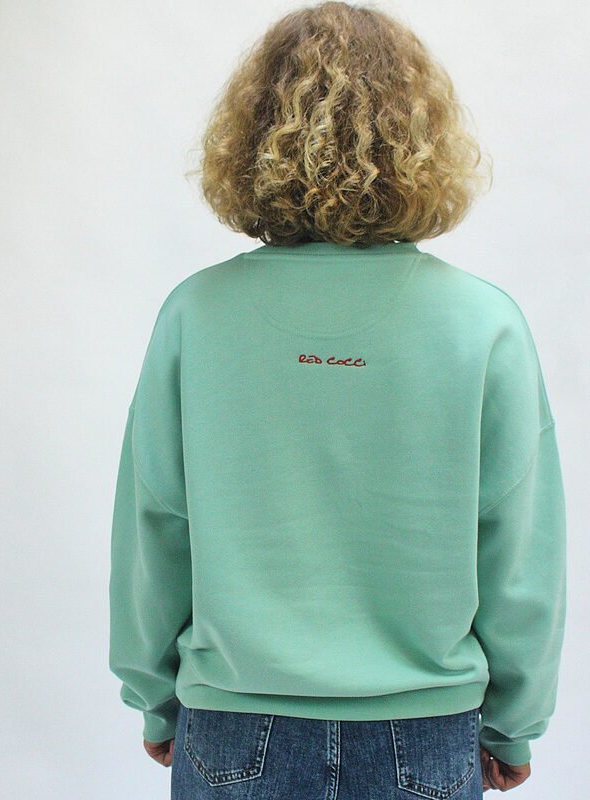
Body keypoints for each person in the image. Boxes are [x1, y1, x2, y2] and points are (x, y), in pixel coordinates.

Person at [108, 2, 567, 797]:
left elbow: (156, 527)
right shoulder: (482, 322)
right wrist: (513, 725)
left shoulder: (198, 315)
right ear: (422, 137)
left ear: (253, 135)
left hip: (232, 729)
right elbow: (519, 552)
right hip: (425, 738)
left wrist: (153, 699)